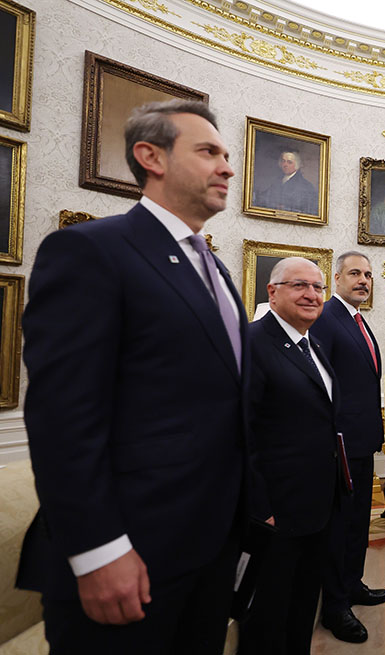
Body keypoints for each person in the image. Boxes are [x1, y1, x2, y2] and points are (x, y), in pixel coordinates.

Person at [16, 99, 245, 654]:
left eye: (226, 155)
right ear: (151, 157)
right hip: (129, 555)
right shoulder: (91, 250)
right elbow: (63, 418)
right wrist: (97, 550)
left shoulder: (213, 267)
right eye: (209, 152)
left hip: (208, 552)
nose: (227, 168)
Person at [239, 257, 340, 655]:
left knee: (301, 611)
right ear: (273, 291)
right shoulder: (252, 342)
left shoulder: (311, 344)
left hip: (315, 508)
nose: (311, 295)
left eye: (317, 287)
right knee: (267, 618)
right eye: (299, 285)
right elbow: (239, 432)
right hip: (274, 513)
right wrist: (259, 507)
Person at [308, 250, 385, 643]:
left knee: (359, 521)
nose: (363, 280)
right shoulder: (326, 317)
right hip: (338, 444)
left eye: (368, 275)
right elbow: (319, 382)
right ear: (336, 278)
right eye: (355, 273)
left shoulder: (358, 319)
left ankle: (352, 584)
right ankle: (335, 607)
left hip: (361, 441)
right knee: (339, 527)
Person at [254, 150, 318, 215]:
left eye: (289, 162)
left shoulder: (305, 186)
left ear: (297, 165)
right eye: (283, 161)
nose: (285, 165)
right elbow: (266, 197)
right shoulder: (278, 181)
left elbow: (306, 210)